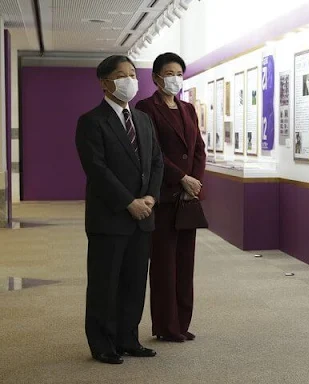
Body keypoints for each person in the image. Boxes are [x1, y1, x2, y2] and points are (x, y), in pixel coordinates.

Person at [75, 55, 164, 364]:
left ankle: (129, 339)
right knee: (105, 283)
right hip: (110, 217)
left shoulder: (143, 119)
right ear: (105, 82)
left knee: (134, 282)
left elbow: (156, 162)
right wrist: (129, 202)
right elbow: (97, 170)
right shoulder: (91, 121)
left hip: (143, 218)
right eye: (122, 75)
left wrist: (150, 198)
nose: (130, 80)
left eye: (132, 74)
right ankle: (102, 343)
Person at [136, 52, 206, 343]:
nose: (174, 78)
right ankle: (166, 326)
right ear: (155, 77)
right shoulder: (145, 108)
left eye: (179, 73)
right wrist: (181, 178)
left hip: (188, 198)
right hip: (164, 195)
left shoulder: (188, 109)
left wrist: (196, 180)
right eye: (169, 73)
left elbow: (198, 148)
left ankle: (182, 323)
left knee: (185, 263)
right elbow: (152, 152)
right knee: (165, 264)